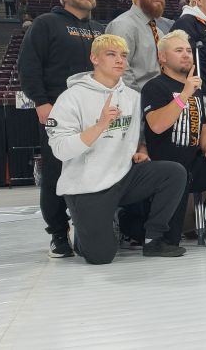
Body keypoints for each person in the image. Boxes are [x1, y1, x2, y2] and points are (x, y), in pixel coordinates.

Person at [47, 34, 187, 264]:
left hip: (123, 177)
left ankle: (153, 238)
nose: (120, 60)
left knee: (174, 173)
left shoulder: (133, 97)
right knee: (100, 257)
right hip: (87, 185)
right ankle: (85, 229)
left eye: (123, 55)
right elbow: (60, 150)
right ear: (94, 58)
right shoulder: (71, 98)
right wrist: (100, 126)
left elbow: (140, 134)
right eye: (111, 54)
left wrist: (142, 149)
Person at [18, 0, 104, 258]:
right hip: (59, 111)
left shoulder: (99, 30)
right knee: (57, 171)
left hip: (97, 114)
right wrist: (41, 102)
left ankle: (96, 227)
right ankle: (57, 232)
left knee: (97, 169)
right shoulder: (46, 23)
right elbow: (28, 65)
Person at [141, 30, 206, 248]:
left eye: (188, 51)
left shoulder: (195, 89)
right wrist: (184, 95)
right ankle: (128, 223)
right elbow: (157, 126)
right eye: (179, 50)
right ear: (162, 57)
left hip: (193, 165)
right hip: (167, 171)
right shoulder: (154, 87)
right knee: (171, 240)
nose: (186, 55)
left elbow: (202, 127)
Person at [104, 0, 173, 92]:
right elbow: (120, 70)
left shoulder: (158, 31)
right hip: (135, 98)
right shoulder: (123, 25)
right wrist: (138, 98)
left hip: (159, 97)